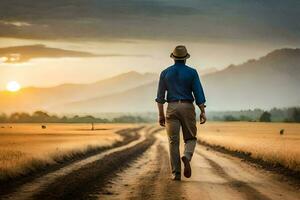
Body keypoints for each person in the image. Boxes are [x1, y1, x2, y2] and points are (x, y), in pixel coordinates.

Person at [155, 45, 206, 181]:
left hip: (171, 108)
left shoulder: (165, 73)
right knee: (190, 138)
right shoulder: (192, 73)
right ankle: (187, 156)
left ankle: (176, 173)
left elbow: (160, 97)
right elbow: (198, 94)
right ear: (185, 59)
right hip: (187, 106)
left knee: (173, 142)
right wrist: (202, 111)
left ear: (173, 58)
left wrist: (161, 115)